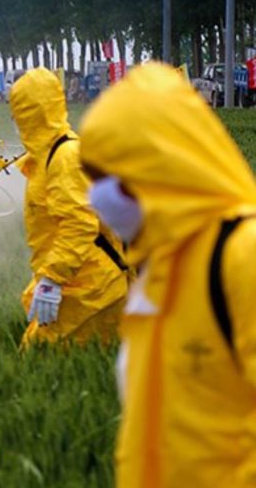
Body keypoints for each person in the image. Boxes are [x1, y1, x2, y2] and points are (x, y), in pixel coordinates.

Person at [79, 63, 256, 488]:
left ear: (160, 167)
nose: (96, 196)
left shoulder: (242, 255)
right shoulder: (160, 269)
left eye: (109, 178)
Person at [9, 68, 128, 345]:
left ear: (31, 113)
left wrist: (53, 278)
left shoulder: (65, 158)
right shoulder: (45, 157)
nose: (14, 120)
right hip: (77, 281)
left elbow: (79, 224)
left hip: (91, 288)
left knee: (39, 357)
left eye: (17, 111)